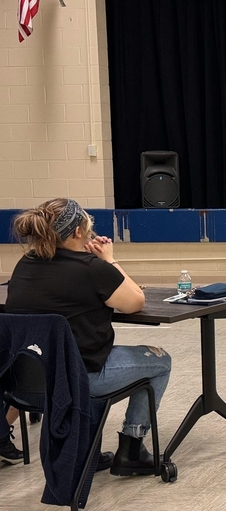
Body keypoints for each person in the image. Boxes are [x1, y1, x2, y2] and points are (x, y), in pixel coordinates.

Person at [5, 198, 171, 475]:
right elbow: (135, 302)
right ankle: (132, 446)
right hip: (78, 377)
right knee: (161, 360)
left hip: (30, 378)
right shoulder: (91, 268)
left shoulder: (26, 263)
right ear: (78, 233)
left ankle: (87, 446)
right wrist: (109, 260)